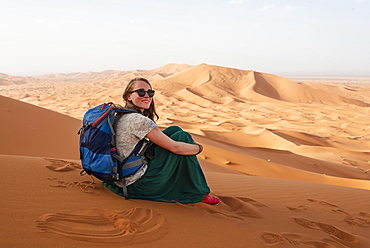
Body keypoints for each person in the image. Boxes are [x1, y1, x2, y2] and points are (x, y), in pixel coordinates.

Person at [102, 77, 220, 205]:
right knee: (183, 138)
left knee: (175, 130)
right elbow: (175, 148)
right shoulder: (139, 120)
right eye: (141, 92)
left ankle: (189, 183)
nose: (147, 96)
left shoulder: (120, 114)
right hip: (136, 184)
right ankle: (200, 192)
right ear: (129, 96)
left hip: (119, 176)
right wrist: (199, 148)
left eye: (150, 93)